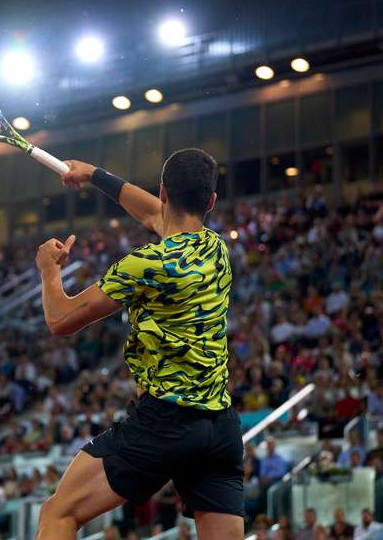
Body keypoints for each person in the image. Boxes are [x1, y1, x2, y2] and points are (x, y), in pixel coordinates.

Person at [35, 149, 243, 540]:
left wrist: (50, 272)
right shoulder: (217, 249)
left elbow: (60, 320)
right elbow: (151, 214)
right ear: (211, 201)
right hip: (220, 428)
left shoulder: (147, 264)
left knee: (58, 513)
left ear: (164, 192)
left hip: (164, 423)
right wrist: (95, 173)